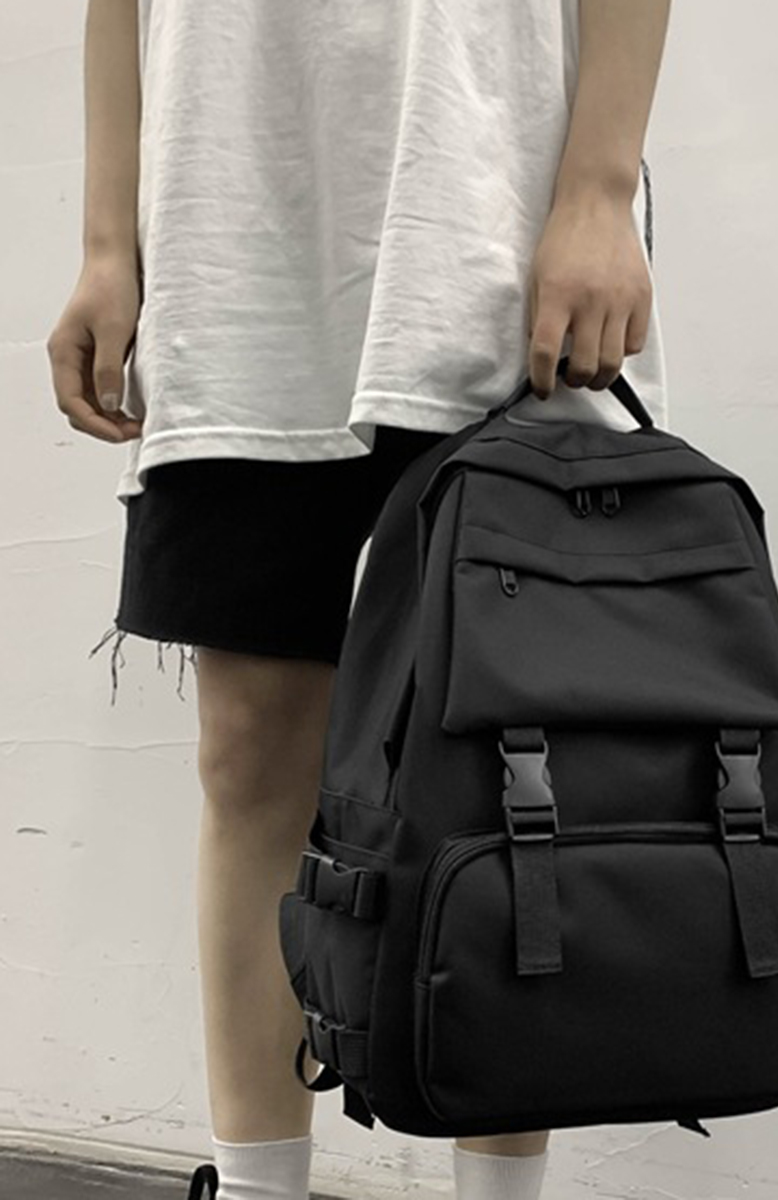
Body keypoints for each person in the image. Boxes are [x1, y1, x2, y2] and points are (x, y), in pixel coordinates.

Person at [47, 2, 673, 1197]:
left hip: (487, 217)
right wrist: (105, 243)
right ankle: (256, 1187)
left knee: (513, 770)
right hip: (232, 239)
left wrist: (599, 189)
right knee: (248, 754)